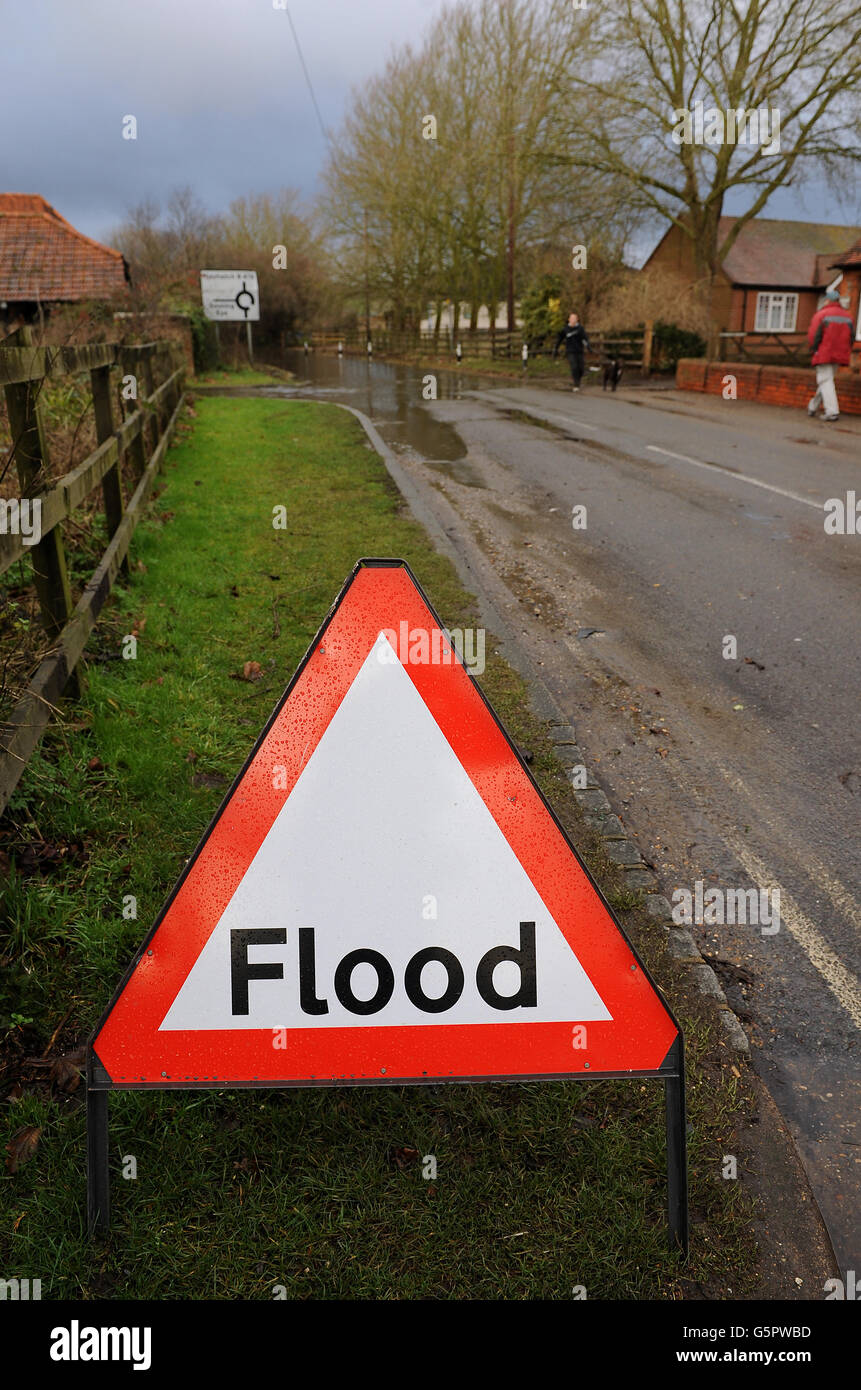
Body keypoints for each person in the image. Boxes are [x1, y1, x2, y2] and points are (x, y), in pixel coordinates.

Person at [807, 288, 854, 421]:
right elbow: (851, 337)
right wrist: (846, 350)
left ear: (827, 300)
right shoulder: (848, 316)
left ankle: (832, 412)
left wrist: (814, 349)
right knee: (826, 380)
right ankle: (812, 407)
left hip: (823, 353)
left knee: (825, 380)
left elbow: (813, 335)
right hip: (839, 354)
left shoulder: (822, 315)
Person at [554, 311, 591, 391]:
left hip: (579, 351)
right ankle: (576, 384)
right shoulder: (565, 329)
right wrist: (556, 349)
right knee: (574, 367)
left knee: (581, 368)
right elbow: (559, 339)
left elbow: (585, 338)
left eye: (575, 318)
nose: (573, 320)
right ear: (569, 319)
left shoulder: (580, 329)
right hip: (570, 351)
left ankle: (578, 379)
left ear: (577, 320)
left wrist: (588, 347)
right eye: (572, 318)